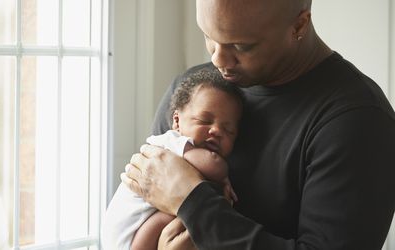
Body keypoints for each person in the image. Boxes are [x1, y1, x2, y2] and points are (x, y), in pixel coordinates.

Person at [124, 0, 395, 249]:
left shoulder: (357, 120)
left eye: (241, 46)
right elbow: (142, 204)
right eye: (209, 36)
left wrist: (192, 203)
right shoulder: (198, 91)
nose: (218, 59)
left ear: (299, 25)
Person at [102, 68, 243, 250]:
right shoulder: (172, 142)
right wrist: (223, 176)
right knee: (172, 214)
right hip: (127, 228)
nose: (216, 130)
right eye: (204, 121)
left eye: (228, 130)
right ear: (177, 121)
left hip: (125, 230)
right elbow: (214, 165)